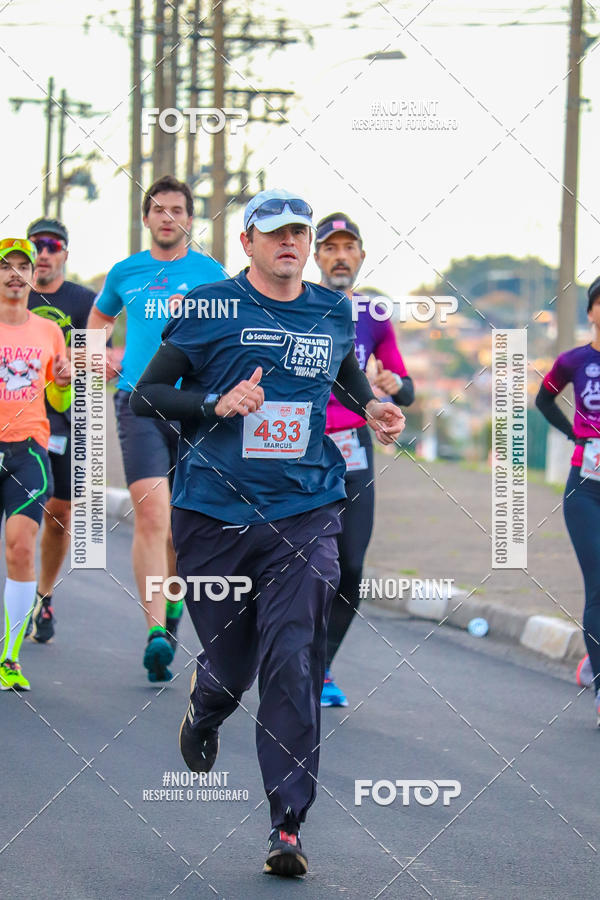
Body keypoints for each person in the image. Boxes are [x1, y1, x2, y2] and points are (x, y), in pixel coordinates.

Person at [130, 188, 406, 877]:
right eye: (275, 232)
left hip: (305, 509)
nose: (290, 242)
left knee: (293, 658)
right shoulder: (210, 307)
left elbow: (343, 378)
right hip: (214, 517)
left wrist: (372, 406)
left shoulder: (331, 311)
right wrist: (215, 402)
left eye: (299, 233)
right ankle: (206, 707)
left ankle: (287, 824)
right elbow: (147, 395)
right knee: (232, 671)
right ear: (247, 241)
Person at [87, 175, 226, 682]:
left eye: (177, 210)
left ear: (190, 219)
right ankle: (155, 635)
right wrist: (99, 353)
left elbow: (229, 333)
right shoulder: (126, 271)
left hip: (192, 409)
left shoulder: (211, 274)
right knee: (151, 516)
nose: (168, 218)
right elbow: (99, 319)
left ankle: (171, 609)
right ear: (146, 218)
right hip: (138, 404)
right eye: (159, 210)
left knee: (181, 527)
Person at [314, 212, 415, 706]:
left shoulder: (373, 315)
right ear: (316, 256)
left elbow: (406, 388)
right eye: (330, 248)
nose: (340, 256)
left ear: (361, 256)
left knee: (350, 567)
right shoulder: (298, 305)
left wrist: (395, 384)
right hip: (300, 449)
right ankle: (286, 659)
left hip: (354, 449)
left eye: (348, 247)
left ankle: (320, 667)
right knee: (303, 567)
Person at [23, 217, 97, 643]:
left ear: (65, 253)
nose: (44, 254)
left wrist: (72, 362)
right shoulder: (12, 295)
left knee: (59, 514)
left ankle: (43, 596)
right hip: (14, 416)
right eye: (36, 246)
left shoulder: (84, 301)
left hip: (66, 419)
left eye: (52, 245)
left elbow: (101, 360)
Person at [0, 238, 70, 690]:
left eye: (22, 266)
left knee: (21, 548)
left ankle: (9, 657)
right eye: (5, 266)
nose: (14, 274)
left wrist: (63, 382)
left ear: (31, 276)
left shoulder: (48, 331)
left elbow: (59, 399)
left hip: (28, 451)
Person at [536, 277, 600, 725]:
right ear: (591, 311)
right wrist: (574, 434)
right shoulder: (574, 361)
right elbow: (544, 399)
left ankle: (591, 660)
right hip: (586, 490)